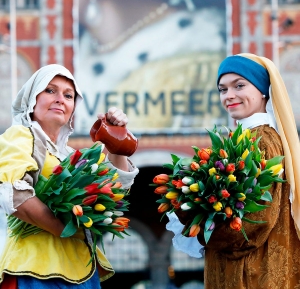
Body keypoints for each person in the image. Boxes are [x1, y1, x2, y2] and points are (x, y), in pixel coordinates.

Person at [167, 53, 300, 288]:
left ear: (262, 90)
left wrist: (193, 221)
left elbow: (253, 226)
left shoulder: (260, 142)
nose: (229, 96)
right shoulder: (246, 139)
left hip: (251, 274)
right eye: (222, 89)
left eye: (239, 86)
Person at [0, 64, 139, 288]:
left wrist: (117, 141)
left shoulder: (74, 157)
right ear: (32, 98)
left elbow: (115, 193)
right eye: (50, 90)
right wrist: (71, 231)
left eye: (68, 95)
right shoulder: (20, 136)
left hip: (82, 271)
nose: (60, 99)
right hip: (34, 269)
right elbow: (14, 195)